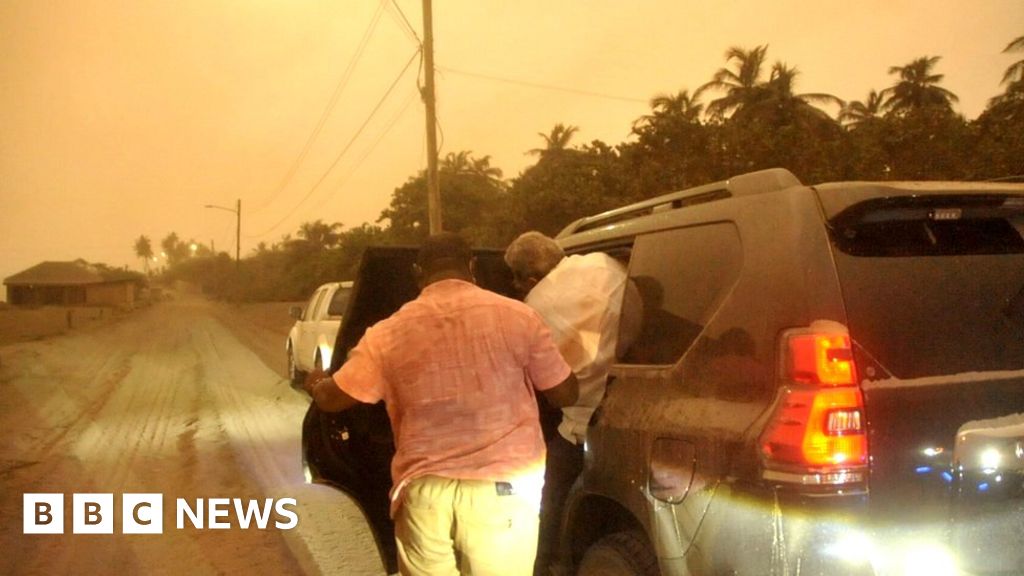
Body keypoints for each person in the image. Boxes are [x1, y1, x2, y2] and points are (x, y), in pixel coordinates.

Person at [307, 231, 578, 576]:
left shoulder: (386, 333)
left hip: (424, 494)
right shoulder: (520, 318)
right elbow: (565, 394)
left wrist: (316, 381)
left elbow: (332, 400)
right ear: (472, 266)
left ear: (418, 273)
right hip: (504, 491)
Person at [503, 231, 633, 575]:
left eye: (518, 282)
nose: (519, 289)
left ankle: (547, 564)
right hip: (635, 406)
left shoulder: (532, 309)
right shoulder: (606, 264)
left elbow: (547, 383)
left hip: (582, 423)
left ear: (530, 278)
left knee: (548, 505)